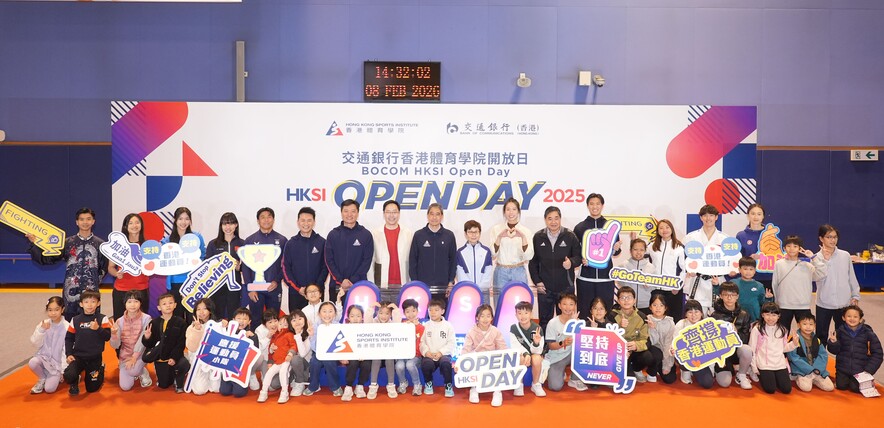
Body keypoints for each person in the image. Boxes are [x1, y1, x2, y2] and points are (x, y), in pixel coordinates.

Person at [27, 207, 107, 321]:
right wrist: (35, 244)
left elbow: (105, 267)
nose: (85, 222)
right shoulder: (67, 243)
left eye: (88, 219)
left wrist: (95, 281)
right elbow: (48, 259)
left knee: (91, 329)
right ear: (77, 222)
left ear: (93, 221)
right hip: (70, 295)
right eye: (82, 219)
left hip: (91, 296)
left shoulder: (101, 245)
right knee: (70, 327)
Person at [529, 206, 581, 328]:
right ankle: (546, 346)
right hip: (544, 288)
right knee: (544, 321)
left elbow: (579, 257)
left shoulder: (570, 236)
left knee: (566, 321)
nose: (553, 222)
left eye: (556, 218)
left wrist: (571, 263)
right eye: (550, 219)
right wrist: (537, 281)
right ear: (545, 220)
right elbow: (533, 262)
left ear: (560, 219)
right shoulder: (538, 237)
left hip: (565, 288)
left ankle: (566, 346)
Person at [573, 193, 622, 316]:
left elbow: (616, 250)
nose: (595, 207)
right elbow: (575, 251)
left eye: (598, 204)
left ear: (602, 205)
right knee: (584, 311)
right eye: (591, 204)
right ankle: (585, 334)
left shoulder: (610, 226)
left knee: (606, 313)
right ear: (587, 206)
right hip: (586, 278)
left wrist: (616, 249)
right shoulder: (580, 227)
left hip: (606, 277)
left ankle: (605, 335)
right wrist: (581, 258)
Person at [242, 207, 288, 330]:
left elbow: (286, 265)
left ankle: (273, 347)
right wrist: (249, 288)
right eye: (262, 217)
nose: (266, 220)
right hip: (255, 290)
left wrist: (277, 281)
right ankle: (257, 346)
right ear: (258, 220)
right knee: (256, 320)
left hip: (273, 288)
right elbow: (245, 267)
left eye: (269, 217)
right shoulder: (250, 240)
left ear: (273, 219)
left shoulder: (282, 240)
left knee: (274, 320)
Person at [814, 225, 861, 341]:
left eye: (835, 237)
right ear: (821, 239)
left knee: (843, 335)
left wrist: (855, 295)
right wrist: (825, 260)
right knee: (821, 335)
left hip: (843, 303)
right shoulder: (816, 257)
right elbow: (816, 277)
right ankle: (820, 358)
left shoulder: (845, 255)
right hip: (824, 303)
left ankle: (842, 359)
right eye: (829, 237)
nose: (833, 240)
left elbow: (851, 277)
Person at [771, 235, 825, 330]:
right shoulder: (779, 264)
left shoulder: (807, 265)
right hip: (784, 305)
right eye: (789, 246)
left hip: (803, 305)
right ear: (784, 248)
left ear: (800, 249)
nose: (792, 249)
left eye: (795, 246)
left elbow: (822, 274)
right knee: (782, 333)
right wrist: (777, 302)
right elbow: (775, 284)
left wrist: (813, 258)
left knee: (806, 333)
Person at [63, 290, 111, 395]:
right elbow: (69, 338)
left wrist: (98, 328)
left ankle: (100, 369)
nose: (89, 305)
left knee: (92, 389)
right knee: (68, 375)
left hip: (95, 357)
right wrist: (69, 354)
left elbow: (107, 337)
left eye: (93, 301)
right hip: (79, 356)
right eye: (86, 302)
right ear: (81, 304)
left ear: (98, 303)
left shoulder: (103, 318)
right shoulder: (75, 320)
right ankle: (74, 382)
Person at [162, 207, 206, 324]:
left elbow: (203, 255)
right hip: (175, 283)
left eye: (187, 219)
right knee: (177, 316)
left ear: (190, 221)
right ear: (175, 220)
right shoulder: (166, 241)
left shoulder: (197, 237)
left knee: (193, 314)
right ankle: (179, 342)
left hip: (193, 282)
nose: (183, 222)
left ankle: (193, 340)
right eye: (180, 218)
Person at [826, 305, 883, 394]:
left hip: (861, 370)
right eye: (849, 316)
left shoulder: (868, 334)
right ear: (843, 318)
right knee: (841, 386)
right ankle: (844, 378)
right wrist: (833, 343)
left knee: (855, 388)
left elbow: (878, 354)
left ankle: (862, 380)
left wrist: (868, 370)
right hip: (843, 368)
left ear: (860, 319)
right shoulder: (839, 332)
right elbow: (834, 351)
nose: (852, 319)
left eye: (855, 316)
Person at [281, 207, 328, 312]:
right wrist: (298, 288)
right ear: (298, 222)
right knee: (296, 325)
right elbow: (285, 268)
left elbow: (326, 267)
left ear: (314, 222)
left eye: (309, 220)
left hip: (316, 293)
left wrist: (315, 288)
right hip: (296, 293)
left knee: (317, 323)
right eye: (303, 220)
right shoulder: (291, 243)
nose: (306, 223)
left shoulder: (322, 242)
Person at [325, 199, 373, 300]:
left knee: (358, 315)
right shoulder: (333, 234)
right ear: (341, 213)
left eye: (353, 211)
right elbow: (329, 260)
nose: (349, 214)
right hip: (337, 285)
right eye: (346, 211)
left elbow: (367, 261)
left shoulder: (365, 234)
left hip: (358, 285)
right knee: (334, 315)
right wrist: (341, 280)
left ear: (358, 213)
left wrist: (353, 280)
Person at [142, 292, 190, 393]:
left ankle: (179, 378)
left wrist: (174, 357)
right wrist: (147, 337)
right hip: (161, 358)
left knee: (183, 364)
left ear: (175, 305)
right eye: (164, 304)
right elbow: (150, 345)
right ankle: (169, 374)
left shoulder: (181, 322)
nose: (168, 305)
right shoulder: (154, 323)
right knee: (163, 385)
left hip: (175, 356)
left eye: (170, 303)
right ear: (159, 308)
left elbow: (181, 343)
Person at [490, 198, 534, 307]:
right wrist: (499, 237)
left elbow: (529, 256)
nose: (511, 212)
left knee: (521, 304)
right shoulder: (496, 229)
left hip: (518, 270)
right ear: (504, 212)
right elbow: (493, 254)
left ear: (518, 211)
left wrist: (523, 238)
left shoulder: (526, 231)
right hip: (501, 271)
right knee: (500, 303)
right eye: (508, 209)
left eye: (514, 209)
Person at [461, 304, 508, 407]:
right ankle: (474, 389)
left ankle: (497, 392)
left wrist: (506, 358)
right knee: (470, 362)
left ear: (492, 318)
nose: (485, 319)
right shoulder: (471, 332)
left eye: (488, 316)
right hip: (477, 360)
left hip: (492, 360)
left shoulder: (495, 331)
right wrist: (460, 363)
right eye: (482, 316)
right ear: (477, 317)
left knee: (500, 363)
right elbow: (466, 348)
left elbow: (502, 347)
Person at [709, 282, 753, 389]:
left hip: (736, 349)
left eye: (732, 295)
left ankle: (741, 375)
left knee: (747, 349)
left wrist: (736, 334)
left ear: (737, 296)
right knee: (725, 383)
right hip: (722, 353)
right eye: (726, 295)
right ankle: (718, 368)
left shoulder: (744, 314)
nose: (729, 298)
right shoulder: (715, 316)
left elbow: (746, 338)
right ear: (721, 296)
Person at [683, 205, 727, 314]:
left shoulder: (725, 239)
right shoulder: (691, 237)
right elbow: (682, 258)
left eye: (711, 215)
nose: (708, 218)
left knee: (717, 316)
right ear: (701, 218)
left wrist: (731, 270)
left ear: (716, 217)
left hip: (716, 281)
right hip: (697, 280)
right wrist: (688, 269)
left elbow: (729, 261)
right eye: (705, 215)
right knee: (696, 315)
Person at [410, 203, 457, 302]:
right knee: (423, 315)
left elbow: (453, 260)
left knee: (441, 315)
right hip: (423, 286)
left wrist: (450, 282)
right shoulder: (419, 235)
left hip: (443, 287)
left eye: (437, 214)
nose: (434, 217)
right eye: (431, 214)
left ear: (442, 216)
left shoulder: (449, 235)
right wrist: (415, 283)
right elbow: (412, 261)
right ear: (427, 216)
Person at [606, 286, 653, 382]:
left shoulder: (642, 316)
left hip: (633, 350)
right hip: (617, 351)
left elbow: (645, 339)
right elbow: (608, 337)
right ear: (618, 300)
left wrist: (636, 345)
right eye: (622, 298)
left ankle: (636, 369)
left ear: (634, 300)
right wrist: (620, 326)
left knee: (648, 357)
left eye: (629, 297)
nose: (626, 301)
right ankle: (626, 369)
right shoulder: (611, 315)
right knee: (626, 378)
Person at [205, 212, 246, 320]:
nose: (228, 227)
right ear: (221, 226)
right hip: (217, 286)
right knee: (216, 315)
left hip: (235, 286)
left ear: (236, 225)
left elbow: (248, 265)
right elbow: (207, 265)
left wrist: (240, 267)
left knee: (235, 314)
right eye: (225, 224)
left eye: (231, 223)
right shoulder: (213, 244)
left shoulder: (242, 243)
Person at [749, 302, 797, 394]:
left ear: (778, 316)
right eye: (767, 314)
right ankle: (757, 373)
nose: (770, 318)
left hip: (779, 364)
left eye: (774, 315)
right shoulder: (757, 329)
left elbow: (783, 349)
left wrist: (794, 344)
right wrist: (754, 367)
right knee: (770, 389)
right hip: (764, 364)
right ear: (763, 315)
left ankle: (776, 376)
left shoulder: (782, 330)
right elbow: (752, 349)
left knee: (786, 389)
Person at [108, 213, 148, 321]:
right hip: (121, 289)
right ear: (125, 226)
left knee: (141, 323)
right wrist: (116, 273)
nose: (134, 225)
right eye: (130, 223)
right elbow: (111, 267)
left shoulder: (147, 246)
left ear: (141, 225)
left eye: (137, 222)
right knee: (120, 322)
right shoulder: (118, 245)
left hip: (141, 289)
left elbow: (153, 266)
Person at [109, 290, 153, 391]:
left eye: (136, 301)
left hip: (141, 354)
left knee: (133, 371)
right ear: (125, 304)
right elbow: (115, 345)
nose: (132, 305)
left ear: (140, 303)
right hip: (125, 355)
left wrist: (134, 357)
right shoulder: (119, 321)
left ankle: (142, 371)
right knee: (125, 387)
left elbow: (142, 341)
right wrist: (114, 334)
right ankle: (134, 369)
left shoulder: (147, 318)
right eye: (129, 302)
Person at [370, 200, 411, 303]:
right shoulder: (375, 234)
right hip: (382, 285)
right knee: (383, 317)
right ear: (384, 214)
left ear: (399, 213)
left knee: (401, 316)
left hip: (402, 284)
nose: (391, 215)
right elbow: (371, 261)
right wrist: (371, 284)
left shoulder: (408, 233)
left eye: (395, 212)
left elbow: (412, 259)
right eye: (388, 212)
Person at [646, 219, 686, 321]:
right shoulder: (651, 246)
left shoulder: (679, 247)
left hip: (673, 290)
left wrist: (678, 286)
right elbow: (643, 262)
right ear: (658, 230)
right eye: (661, 228)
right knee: (656, 317)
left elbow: (683, 268)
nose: (664, 230)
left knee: (674, 317)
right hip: (656, 288)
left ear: (672, 229)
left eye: (667, 227)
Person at [28, 296, 69, 394]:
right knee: (32, 362)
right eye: (50, 310)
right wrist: (41, 330)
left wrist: (63, 370)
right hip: (44, 358)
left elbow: (66, 350)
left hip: (56, 365)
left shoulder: (67, 327)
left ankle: (54, 375)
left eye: (56, 310)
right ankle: (42, 378)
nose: (53, 313)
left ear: (62, 309)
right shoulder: (44, 324)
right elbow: (34, 342)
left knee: (49, 389)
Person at [544, 293, 583, 392]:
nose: (568, 307)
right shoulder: (552, 323)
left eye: (571, 304)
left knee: (583, 354)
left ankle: (574, 379)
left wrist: (576, 323)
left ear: (575, 306)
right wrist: (563, 343)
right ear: (559, 305)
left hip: (572, 355)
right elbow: (551, 346)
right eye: (564, 304)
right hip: (557, 357)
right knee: (555, 387)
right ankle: (559, 372)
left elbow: (584, 343)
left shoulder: (578, 322)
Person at [786, 313, 834, 392]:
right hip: (802, 370)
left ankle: (814, 378)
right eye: (804, 324)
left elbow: (823, 355)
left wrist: (817, 369)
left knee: (830, 387)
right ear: (798, 325)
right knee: (806, 388)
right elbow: (793, 357)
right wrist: (809, 369)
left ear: (814, 325)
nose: (808, 327)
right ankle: (797, 377)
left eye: (811, 324)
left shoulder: (817, 340)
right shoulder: (795, 339)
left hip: (816, 369)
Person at [671, 299, 714, 389]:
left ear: (702, 313)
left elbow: (713, 349)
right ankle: (685, 370)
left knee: (708, 383)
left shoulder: (708, 325)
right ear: (685, 314)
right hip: (686, 357)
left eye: (696, 312)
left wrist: (711, 370)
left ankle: (697, 371)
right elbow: (674, 344)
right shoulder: (681, 324)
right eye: (690, 312)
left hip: (702, 359)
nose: (693, 315)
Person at [218, 308, 260, 398]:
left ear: (249, 322)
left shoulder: (251, 334)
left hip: (241, 369)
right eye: (239, 318)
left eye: (245, 319)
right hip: (227, 367)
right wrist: (221, 323)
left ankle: (248, 378)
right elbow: (216, 324)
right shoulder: (226, 330)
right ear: (233, 320)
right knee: (224, 392)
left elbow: (256, 353)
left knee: (239, 393)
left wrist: (252, 338)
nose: (241, 321)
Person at [305, 301, 343, 397]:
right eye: (324, 311)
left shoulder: (338, 326)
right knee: (314, 362)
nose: (327, 314)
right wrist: (312, 335)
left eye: (330, 311)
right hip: (317, 352)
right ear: (319, 313)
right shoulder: (315, 326)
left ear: (335, 313)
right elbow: (313, 346)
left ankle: (336, 387)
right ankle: (313, 386)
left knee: (329, 361)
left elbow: (341, 343)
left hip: (333, 354)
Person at [508, 301, 547, 397]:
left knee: (537, 358)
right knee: (519, 358)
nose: (523, 316)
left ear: (531, 314)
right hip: (523, 355)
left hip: (534, 354)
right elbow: (515, 345)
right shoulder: (514, 328)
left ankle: (536, 384)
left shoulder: (537, 328)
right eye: (519, 313)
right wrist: (526, 354)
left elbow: (539, 350)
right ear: (516, 315)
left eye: (526, 313)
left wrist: (536, 343)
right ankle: (519, 384)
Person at [184, 298, 221, 395]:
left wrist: (224, 326)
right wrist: (197, 330)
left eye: (204, 308)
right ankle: (193, 373)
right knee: (199, 390)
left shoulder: (217, 325)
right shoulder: (191, 327)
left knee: (216, 388)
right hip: (198, 361)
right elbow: (191, 348)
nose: (201, 312)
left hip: (214, 361)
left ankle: (211, 377)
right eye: (198, 309)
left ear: (210, 310)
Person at [420, 298, 456, 397]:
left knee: (445, 363)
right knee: (426, 364)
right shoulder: (425, 326)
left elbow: (451, 343)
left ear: (442, 311)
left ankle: (448, 385)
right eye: (430, 310)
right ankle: (429, 384)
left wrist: (441, 352)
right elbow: (422, 342)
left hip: (444, 355)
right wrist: (426, 352)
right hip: (429, 354)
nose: (433, 312)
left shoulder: (448, 326)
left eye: (436, 310)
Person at [258, 313, 297, 404]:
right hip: (276, 362)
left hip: (286, 361)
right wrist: (271, 351)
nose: (282, 326)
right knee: (269, 374)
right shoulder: (274, 336)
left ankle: (284, 392)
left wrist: (290, 354)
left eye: (285, 325)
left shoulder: (289, 334)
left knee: (283, 373)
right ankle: (263, 392)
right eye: (280, 324)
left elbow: (293, 345)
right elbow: (270, 352)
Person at [368, 301, 401, 399]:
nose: (383, 316)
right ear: (377, 312)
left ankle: (391, 385)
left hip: (389, 352)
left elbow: (398, 324)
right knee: (376, 359)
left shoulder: (392, 323)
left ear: (390, 315)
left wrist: (396, 310)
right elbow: (366, 322)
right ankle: (373, 385)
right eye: (381, 313)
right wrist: (371, 307)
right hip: (376, 352)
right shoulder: (373, 322)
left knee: (390, 359)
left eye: (387, 313)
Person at [455, 220, 493, 303]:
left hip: (483, 292)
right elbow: (460, 274)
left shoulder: (486, 251)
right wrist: (471, 288)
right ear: (465, 234)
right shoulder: (460, 252)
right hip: (467, 292)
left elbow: (488, 272)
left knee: (484, 315)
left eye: (476, 232)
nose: (473, 235)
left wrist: (479, 288)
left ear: (480, 233)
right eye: (470, 232)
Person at [615, 239, 656, 314]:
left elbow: (655, 286)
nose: (638, 252)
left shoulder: (651, 267)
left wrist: (649, 285)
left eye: (641, 250)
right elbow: (620, 284)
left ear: (645, 251)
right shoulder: (623, 265)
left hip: (645, 304)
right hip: (627, 305)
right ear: (630, 250)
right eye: (635, 249)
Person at [395, 298, 426, 396]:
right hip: (402, 355)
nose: (411, 314)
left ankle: (417, 384)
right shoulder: (401, 326)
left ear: (417, 311)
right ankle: (403, 382)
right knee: (399, 366)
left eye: (413, 311)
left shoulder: (422, 328)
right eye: (407, 311)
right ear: (404, 313)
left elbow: (422, 344)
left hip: (415, 356)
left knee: (409, 365)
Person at [341, 305, 371, 402]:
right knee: (352, 363)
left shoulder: (367, 329)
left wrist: (364, 354)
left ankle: (360, 386)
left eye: (358, 316)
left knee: (367, 364)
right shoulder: (343, 329)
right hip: (349, 356)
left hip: (363, 356)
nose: (355, 318)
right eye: (352, 316)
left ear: (362, 317)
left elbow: (369, 345)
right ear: (348, 317)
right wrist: (342, 357)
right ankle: (348, 387)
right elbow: (340, 346)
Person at [645, 294, 676, 384]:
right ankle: (651, 372)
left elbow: (668, 344)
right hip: (653, 351)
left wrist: (666, 365)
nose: (658, 308)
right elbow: (652, 342)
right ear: (650, 307)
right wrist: (652, 328)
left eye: (661, 305)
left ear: (665, 308)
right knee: (655, 353)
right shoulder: (647, 319)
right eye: (655, 305)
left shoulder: (670, 322)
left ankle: (660, 366)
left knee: (669, 379)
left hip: (666, 353)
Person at [733, 257, 771, 323]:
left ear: (754, 271)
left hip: (754, 318)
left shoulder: (759, 286)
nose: (748, 272)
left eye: (751, 269)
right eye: (745, 269)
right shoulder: (734, 283)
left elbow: (763, 303)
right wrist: (716, 285)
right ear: (739, 269)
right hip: (737, 318)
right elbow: (724, 295)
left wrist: (768, 298)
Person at [286, 310, 312, 397]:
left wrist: (298, 336)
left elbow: (302, 354)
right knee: (275, 384)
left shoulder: (309, 334)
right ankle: (294, 377)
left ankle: (300, 382)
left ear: (305, 320)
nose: (297, 322)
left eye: (300, 319)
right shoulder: (288, 335)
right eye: (293, 320)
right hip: (291, 367)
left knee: (296, 358)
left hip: (305, 366)